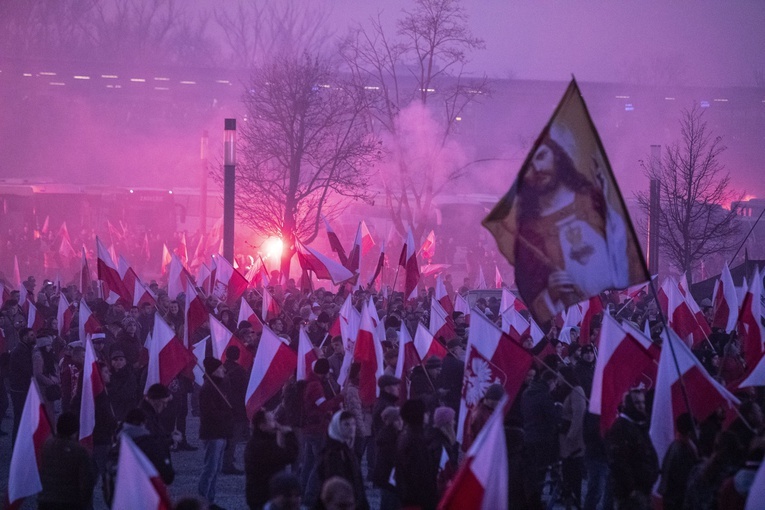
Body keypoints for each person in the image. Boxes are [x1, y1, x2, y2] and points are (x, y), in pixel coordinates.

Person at [510, 130, 640, 322]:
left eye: (542, 156)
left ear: (560, 156)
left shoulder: (594, 202)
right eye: (532, 163)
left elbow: (621, 257)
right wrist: (551, 293)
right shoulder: (532, 226)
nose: (537, 167)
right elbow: (533, 298)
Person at [605, 389, 659, 510]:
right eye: (637, 403)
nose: (641, 406)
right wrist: (631, 490)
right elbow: (618, 462)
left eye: (642, 402)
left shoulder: (639, 425)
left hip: (644, 490)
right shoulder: (621, 427)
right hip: (632, 495)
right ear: (629, 405)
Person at [38, 412, 96, 510]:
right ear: (75, 430)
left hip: (46, 500)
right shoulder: (79, 451)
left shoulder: (46, 445)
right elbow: (87, 482)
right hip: (69, 502)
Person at [244, 409, 300, 509]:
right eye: (271, 421)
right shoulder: (260, 445)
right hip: (262, 496)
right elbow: (290, 456)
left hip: (261, 494)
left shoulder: (261, 440)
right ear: (261, 425)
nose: (275, 424)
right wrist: (290, 434)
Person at [198, 357, 233, 510]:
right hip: (213, 433)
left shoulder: (219, 385)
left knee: (215, 469)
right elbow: (208, 412)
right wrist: (225, 414)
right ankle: (202, 501)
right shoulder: (208, 388)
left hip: (221, 432)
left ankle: (210, 500)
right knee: (210, 469)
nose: (223, 370)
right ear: (213, 371)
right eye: (219, 368)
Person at [317, 410, 369, 510]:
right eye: (346, 424)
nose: (351, 428)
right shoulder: (334, 452)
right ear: (337, 426)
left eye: (353, 424)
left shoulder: (346, 449)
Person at [395, 399, 438, 510]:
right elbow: (420, 476)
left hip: (410, 499)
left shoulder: (409, 436)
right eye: (425, 411)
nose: (428, 414)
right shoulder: (415, 440)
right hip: (416, 502)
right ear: (418, 414)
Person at [658, 413, 699, 509]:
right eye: (697, 428)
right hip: (676, 500)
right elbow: (684, 478)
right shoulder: (681, 450)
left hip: (672, 498)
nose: (699, 431)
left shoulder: (679, 445)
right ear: (690, 432)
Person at [222, 345, 249, 475]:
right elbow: (245, 390)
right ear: (238, 356)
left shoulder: (221, 368)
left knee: (225, 436)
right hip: (237, 408)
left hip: (223, 407)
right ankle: (227, 463)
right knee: (233, 438)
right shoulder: (240, 371)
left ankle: (224, 460)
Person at [371, 406, 402, 510]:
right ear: (393, 421)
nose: (401, 422)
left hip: (386, 477)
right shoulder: (390, 437)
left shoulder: (389, 434)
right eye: (398, 420)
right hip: (388, 478)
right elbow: (392, 459)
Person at [8, 327, 35, 441]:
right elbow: (27, 370)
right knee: (20, 419)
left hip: (21, 388)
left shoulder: (24, 349)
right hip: (20, 390)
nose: (34, 337)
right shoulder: (20, 351)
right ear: (25, 337)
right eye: (32, 335)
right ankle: (17, 448)